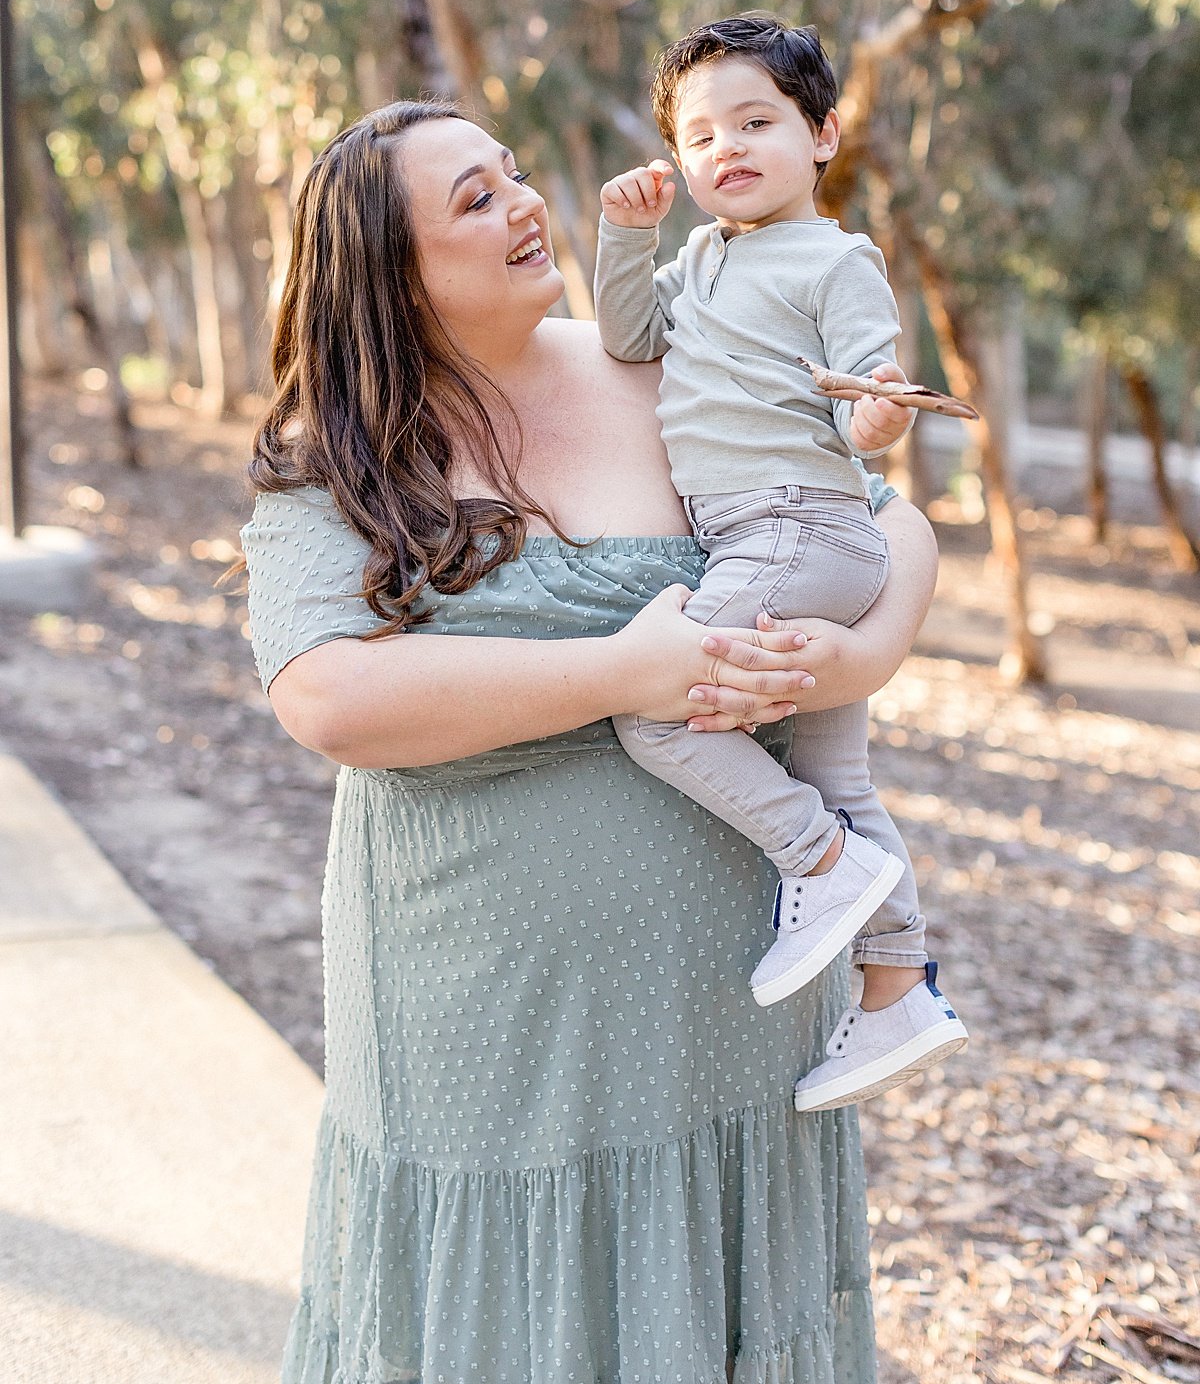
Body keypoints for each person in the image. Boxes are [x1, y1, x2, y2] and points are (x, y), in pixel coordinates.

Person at [241, 98, 939, 1383]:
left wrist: (860, 657)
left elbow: (883, 524)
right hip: (481, 1029)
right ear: (388, 272)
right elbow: (328, 696)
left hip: (734, 1010)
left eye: (513, 173)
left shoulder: (668, 364)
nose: (524, 205)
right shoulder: (334, 452)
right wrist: (626, 670)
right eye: (473, 199)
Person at [594, 14, 967, 1113]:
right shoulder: (702, 258)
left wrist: (879, 423)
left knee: (655, 711)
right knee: (841, 776)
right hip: (780, 539)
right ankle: (899, 986)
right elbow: (627, 338)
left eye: (755, 122)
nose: (727, 150)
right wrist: (629, 238)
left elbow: (871, 383)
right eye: (699, 137)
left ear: (822, 134)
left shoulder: (836, 256)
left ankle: (818, 864)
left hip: (796, 525)